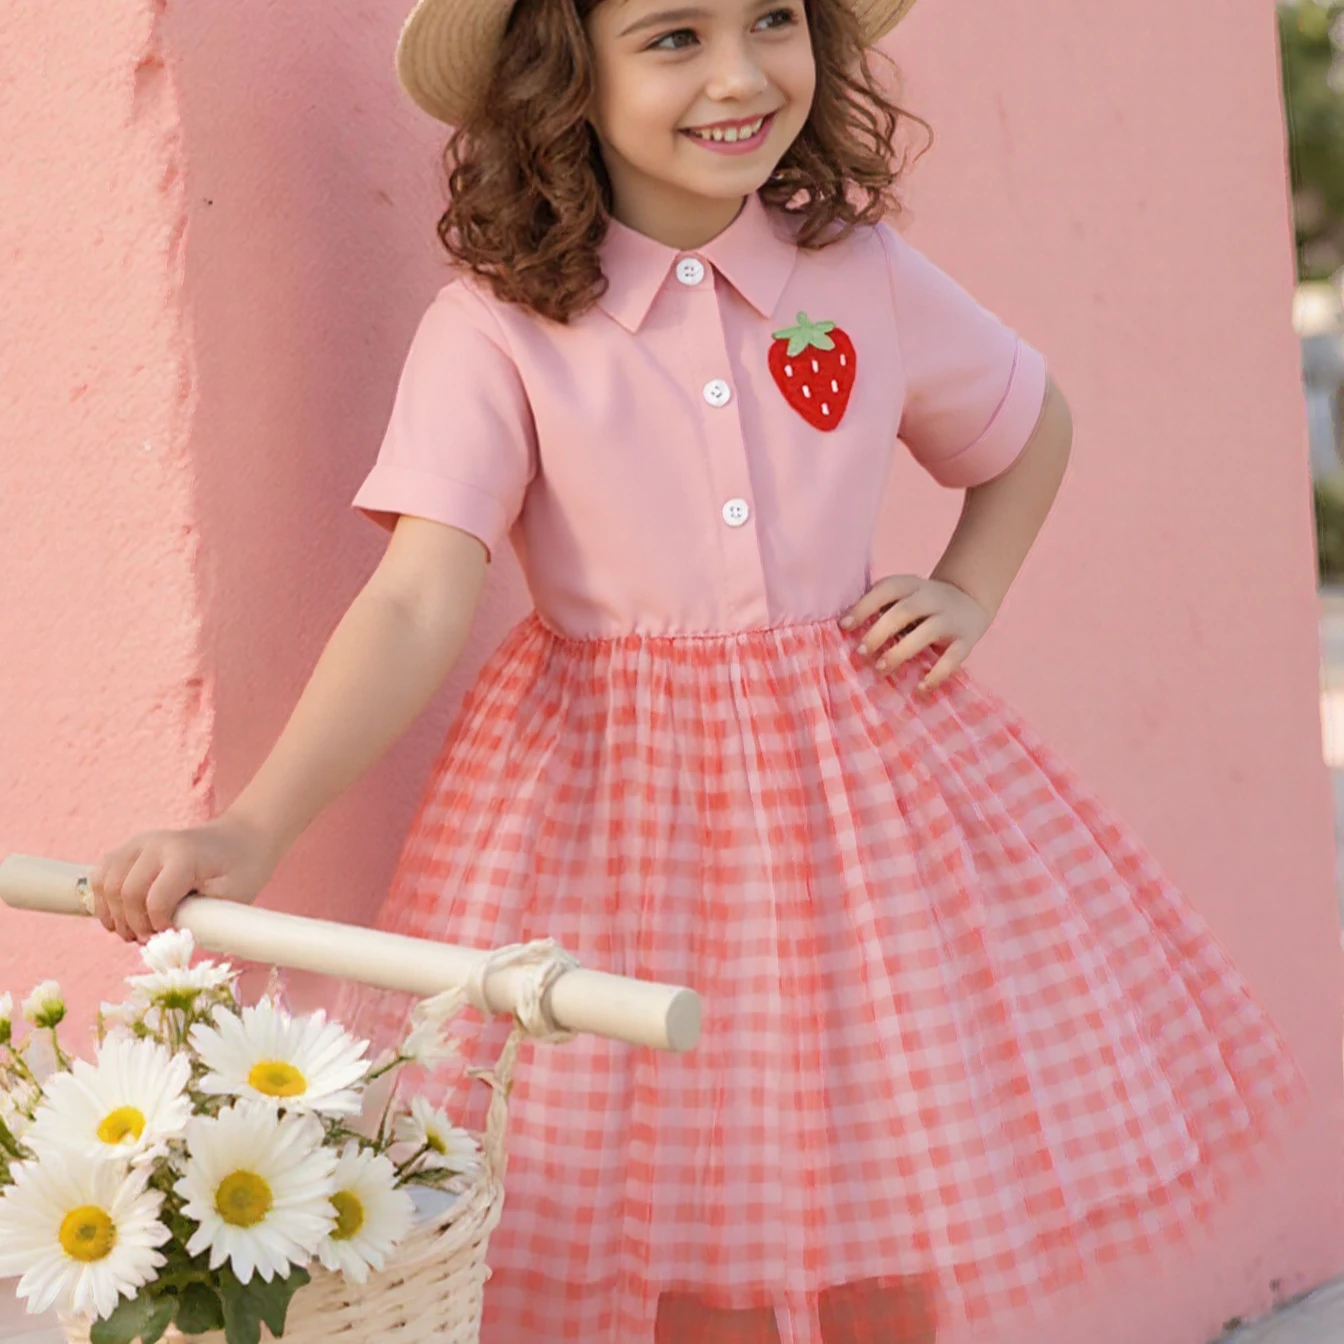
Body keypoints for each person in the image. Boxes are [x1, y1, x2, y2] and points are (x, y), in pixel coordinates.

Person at [87, 0, 1309, 1338]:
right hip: (618, 820)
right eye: (673, 36)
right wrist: (253, 824)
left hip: (859, 813)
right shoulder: (496, 327)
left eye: (772, 19)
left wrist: (968, 588)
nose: (740, 74)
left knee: (873, 1182)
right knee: (676, 1200)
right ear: (566, 75)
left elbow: (1029, 425)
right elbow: (417, 599)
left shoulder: (859, 275)